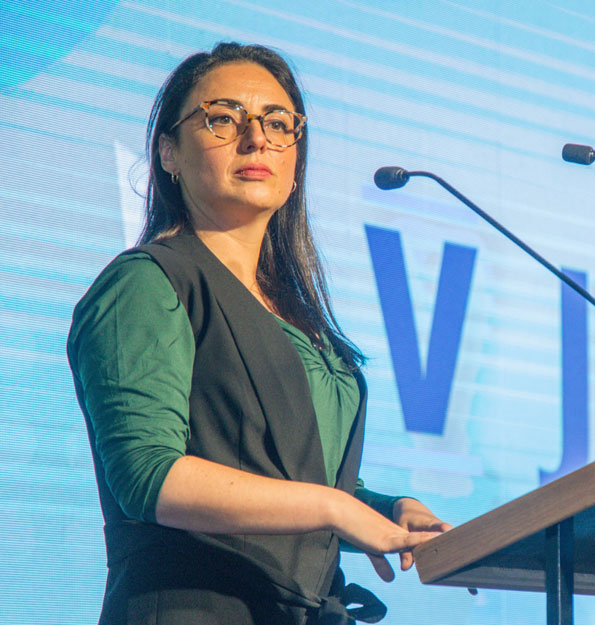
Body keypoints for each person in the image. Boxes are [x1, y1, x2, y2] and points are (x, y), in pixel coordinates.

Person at [67, 42, 450, 625]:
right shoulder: (147, 283)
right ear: (168, 151)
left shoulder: (298, 311)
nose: (257, 139)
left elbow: (288, 478)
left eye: (277, 123)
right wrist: (332, 507)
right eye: (222, 118)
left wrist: (386, 509)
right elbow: (148, 474)